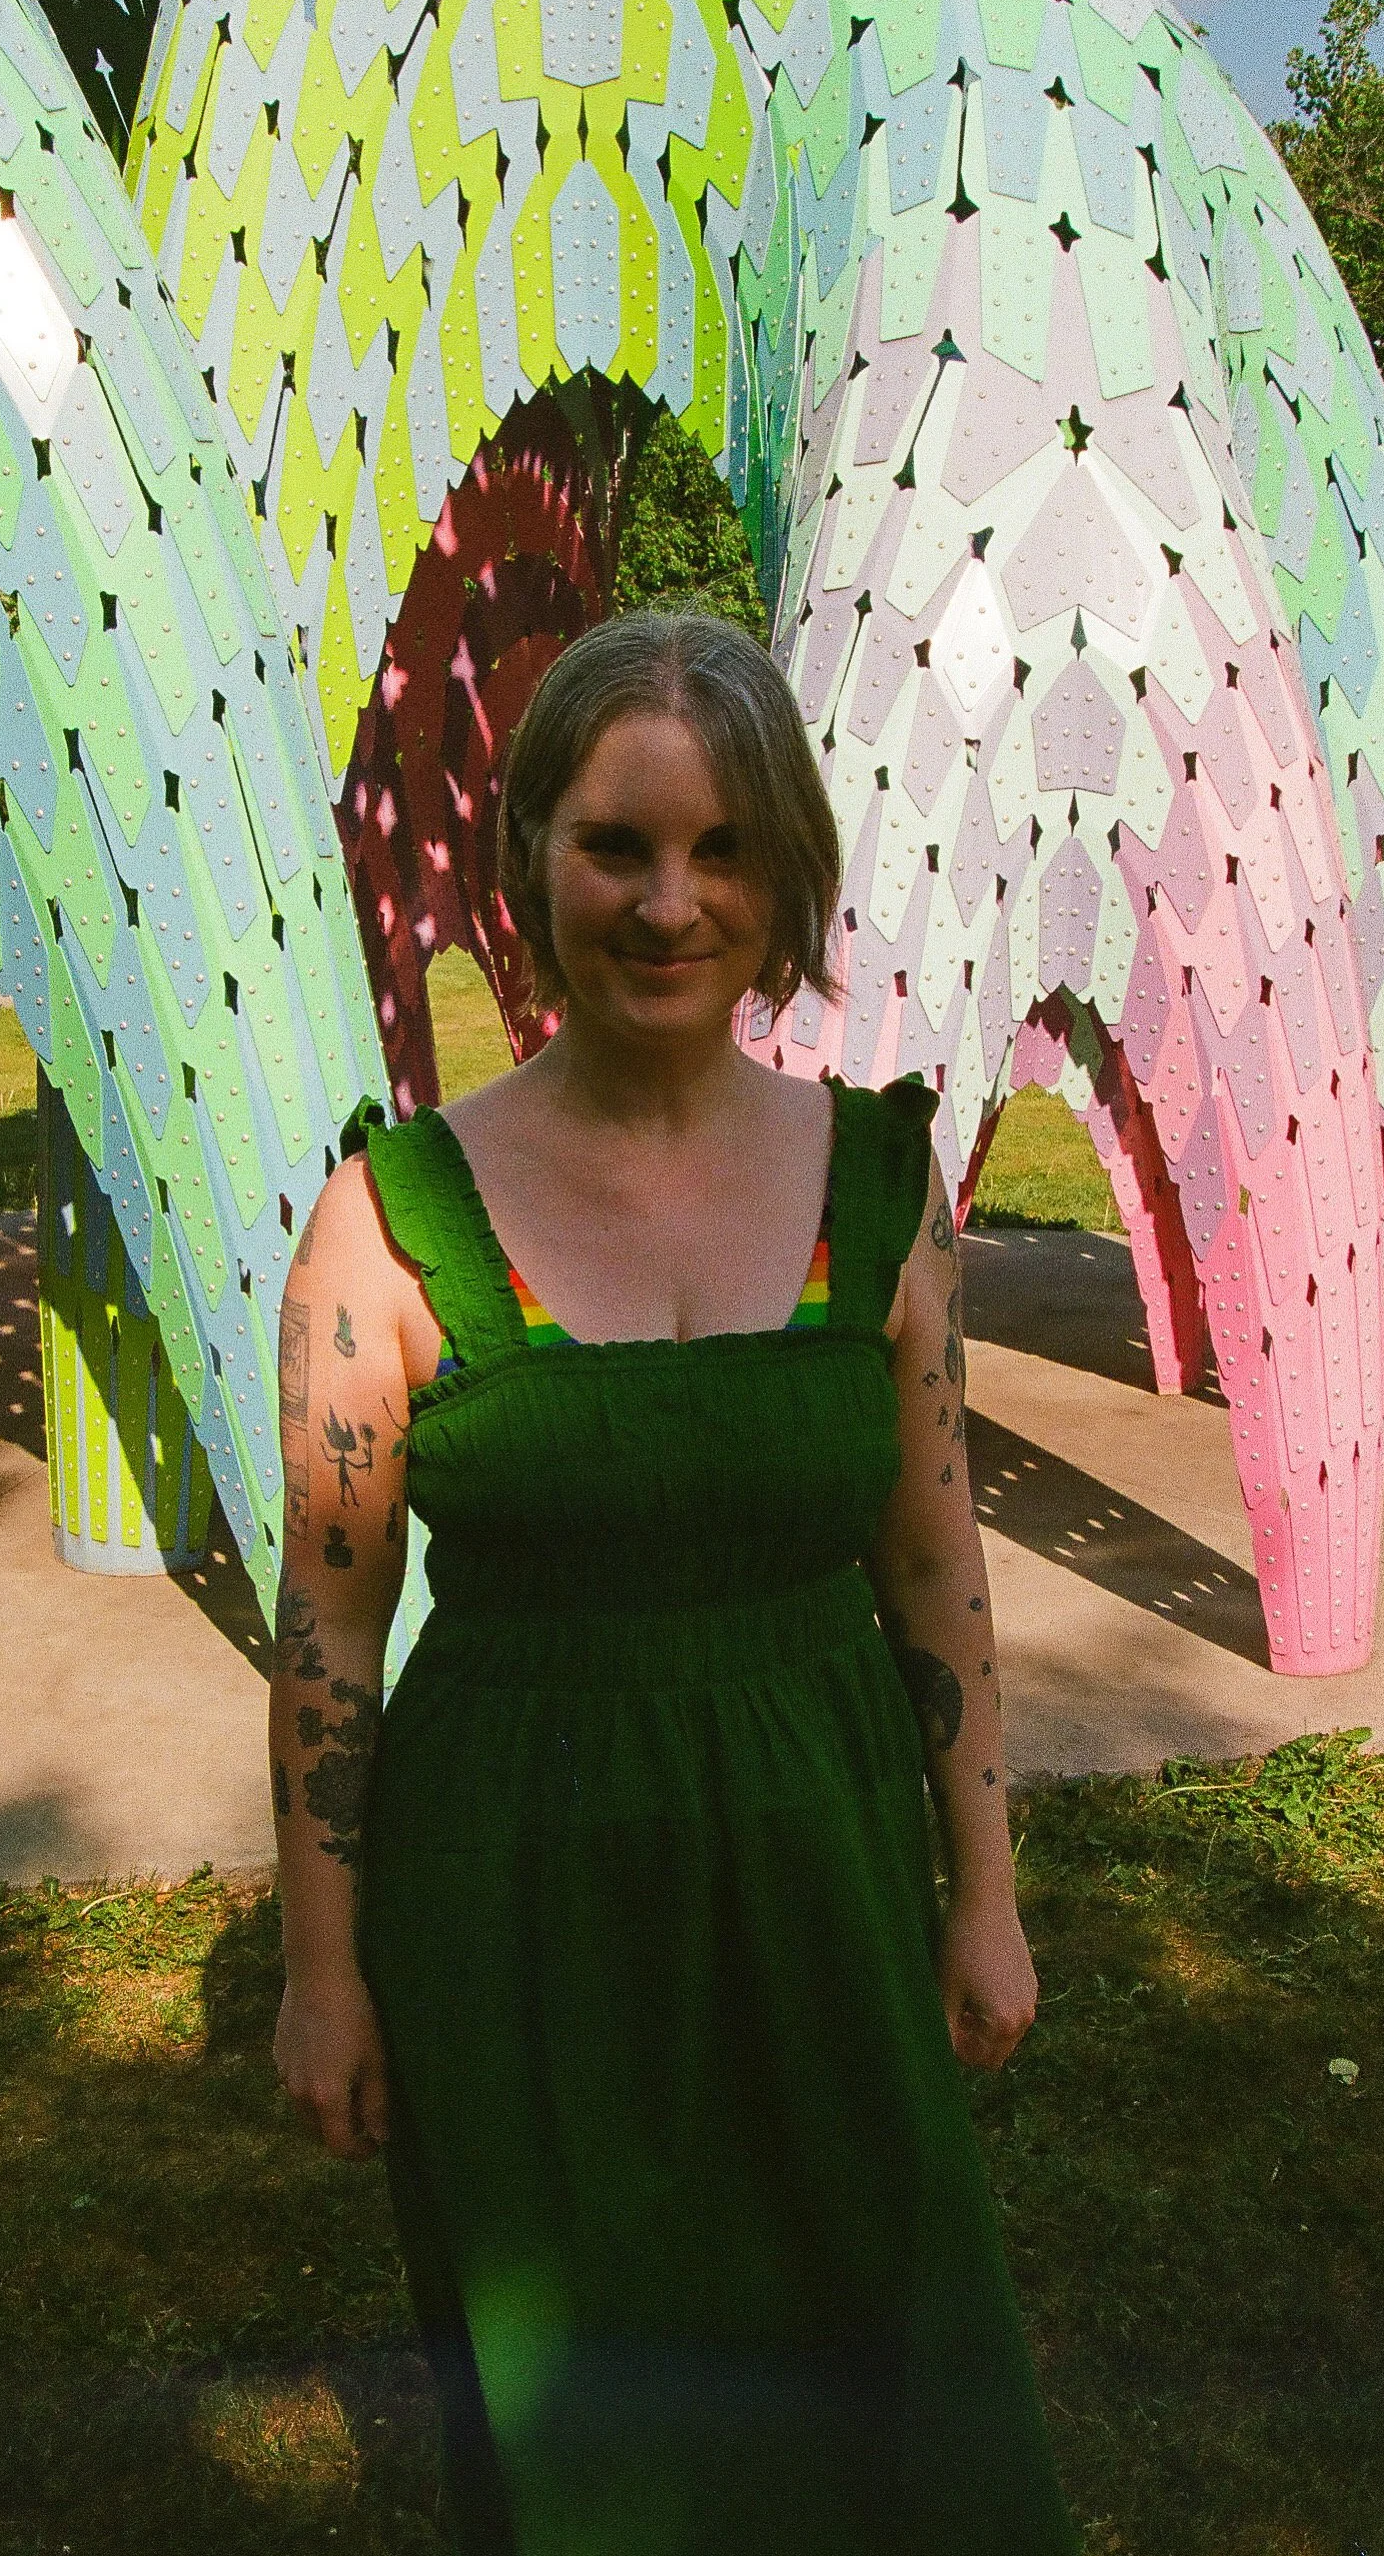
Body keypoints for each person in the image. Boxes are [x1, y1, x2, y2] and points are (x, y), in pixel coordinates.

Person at [269, 612, 1077, 2555]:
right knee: (585, 2428)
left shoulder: (880, 1188)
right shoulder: (393, 1218)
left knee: (896, 2370)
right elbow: (328, 1630)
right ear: (531, 849)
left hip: (825, 1868)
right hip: (513, 1902)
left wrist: (984, 1895)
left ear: (785, 874)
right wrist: (322, 1969)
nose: (667, 898)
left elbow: (933, 1556)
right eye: (616, 843)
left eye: (722, 850)